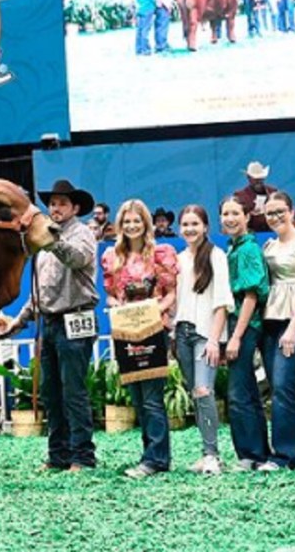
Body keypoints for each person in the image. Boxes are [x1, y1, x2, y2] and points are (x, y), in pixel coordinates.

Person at [0, 179, 99, 473]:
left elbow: (79, 260)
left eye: (62, 203)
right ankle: (58, 456)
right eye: (52, 203)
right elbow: (39, 290)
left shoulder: (83, 233)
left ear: (75, 208)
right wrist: (17, 322)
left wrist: (53, 241)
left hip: (76, 317)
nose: (55, 208)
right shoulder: (43, 244)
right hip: (50, 321)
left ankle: (83, 456)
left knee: (74, 391)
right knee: (51, 392)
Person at [101, 199, 177, 478]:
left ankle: (156, 459)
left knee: (152, 398)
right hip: (125, 333)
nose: (132, 226)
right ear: (120, 225)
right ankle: (151, 454)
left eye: (137, 221)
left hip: (153, 330)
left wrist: (156, 308)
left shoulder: (161, 253)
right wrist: (116, 305)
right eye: (127, 221)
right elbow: (110, 293)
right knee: (137, 397)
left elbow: (171, 292)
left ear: (145, 223)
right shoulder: (112, 256)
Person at [174, 205, 233, 475]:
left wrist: (214, 340)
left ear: (206, 227)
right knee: (196, 394)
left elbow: (222, 302)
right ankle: (205, 451)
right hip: (182, 333)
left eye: (195, 223)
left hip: (205, 335)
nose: (190, 229)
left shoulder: (216, 256)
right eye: (185, 224)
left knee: (203, 390)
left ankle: (213, 455)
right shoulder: (178, 259)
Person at [261, 192, 295, 470]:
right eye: (270, 213)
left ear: (292, 211)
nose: (275, 217)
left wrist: (293, 329)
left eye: (280, 211)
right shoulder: (268, 246)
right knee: (279, 389)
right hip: (271, 320)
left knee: (283, 385)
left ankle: (282, 455)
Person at [220, 196, 272, 471]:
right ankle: (256, 452)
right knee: (247, 391)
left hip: (245, 325)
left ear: (247, 216)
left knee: (240, 393)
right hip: (239, 324)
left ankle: (250, 454)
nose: (230, 218)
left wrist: (237, 336)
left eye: (235, 213)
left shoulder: (249, 249)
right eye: (226, 214)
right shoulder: (234, 248)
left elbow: (251, 295)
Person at [233, 161, 279, 233]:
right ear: (248, 178)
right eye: (255, 179)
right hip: (249, 236)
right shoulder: (240, 196)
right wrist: (250, 215)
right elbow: (236, 220)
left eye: (260, 178)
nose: (258, 181)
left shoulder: (273, 193)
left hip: (273, 233)